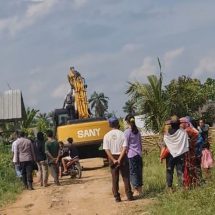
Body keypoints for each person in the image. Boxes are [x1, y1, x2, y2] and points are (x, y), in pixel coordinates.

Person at [103, 116, 133, 202]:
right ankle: (129, 196)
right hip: (122, 157)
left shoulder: (106, 136)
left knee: (114, 178)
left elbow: (106, 149)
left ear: (110, 124)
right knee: (125, 177)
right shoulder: (122, 134)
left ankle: (117, 197)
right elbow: (124, 148)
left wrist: (113, 159)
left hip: (112, 157)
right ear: (117, 124)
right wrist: (119, 159)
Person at [163, 116, 189, 191]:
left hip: (170, 155)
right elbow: (186, 144)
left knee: (169, 170)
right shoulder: (183, 132)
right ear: (178, 124)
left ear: (171, 124)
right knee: (180, 171)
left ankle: (169, 188)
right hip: (180, 154)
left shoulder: (167, 133)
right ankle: (181, 188)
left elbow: (165, 144)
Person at [124, 114, 143, 196]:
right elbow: (140, 143)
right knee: (139, 172)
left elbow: (126, 145)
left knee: (133, 172)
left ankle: (135, 191)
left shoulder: (127, 132)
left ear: (127, 122)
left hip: (131, 155)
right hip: (139, 154)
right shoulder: (137, 130)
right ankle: (140, 190)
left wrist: (125, 154)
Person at [180, 117, 199, 188]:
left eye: (181, 123)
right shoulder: (190, 129)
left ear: (185, 123)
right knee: (191, 168)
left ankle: (188, 185)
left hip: (188, 153)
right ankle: (194, 184)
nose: (180, 125)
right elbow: (197, 133)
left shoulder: (187, 130)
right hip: (191, 152)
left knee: (188, 168)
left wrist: (190, 142)